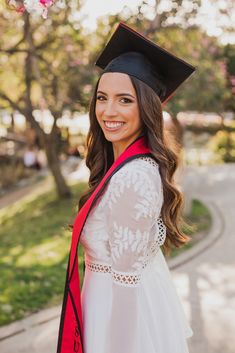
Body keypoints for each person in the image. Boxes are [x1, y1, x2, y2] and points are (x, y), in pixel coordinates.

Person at [56, 22, 196, 353]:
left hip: (116, 318)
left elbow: (126, 290)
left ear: (146, 108)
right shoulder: (126, 168)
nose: (108, 111)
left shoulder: (133, 178)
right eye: (102, 98)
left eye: (124, 100)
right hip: (109, 303)